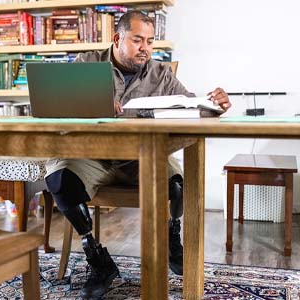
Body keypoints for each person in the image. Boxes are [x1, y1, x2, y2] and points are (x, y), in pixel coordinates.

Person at [45, 10, 232, 299]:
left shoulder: (161, 74)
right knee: (58, 177)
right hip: (92, 157)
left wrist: (214, 104)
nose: (145, 47)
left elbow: (191, 109)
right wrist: (91, 104)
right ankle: (97, 258)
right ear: (118, 38)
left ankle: (172, 236)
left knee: (178, 182)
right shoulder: (86, 64)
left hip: (142, 158)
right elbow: (57, 113)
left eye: (150, 40)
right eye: (137, 40)